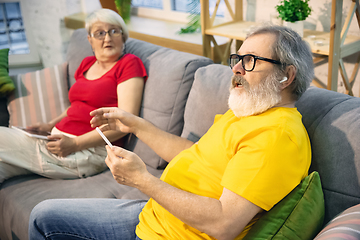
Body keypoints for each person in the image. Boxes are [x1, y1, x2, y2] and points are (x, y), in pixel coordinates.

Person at [29, 25, 314, 240]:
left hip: (169, 233)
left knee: (43, 219)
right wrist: (135, 125)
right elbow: (195, 155)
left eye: (250, 60)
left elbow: (224, 224)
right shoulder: (250, 110)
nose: (237, 68)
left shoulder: (276, 135)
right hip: (156, 212)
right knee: (43, 213)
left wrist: (142, 180)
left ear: (286, 77)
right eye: (237, 58)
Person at [0, 9, 147, 183]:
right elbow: (76, 105)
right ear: (90, 40)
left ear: (123, 36)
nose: (107, 38)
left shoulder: (129, 64)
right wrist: (49, 125)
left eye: (114, 31)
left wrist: (75, 144)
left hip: (89, 150)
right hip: (58, 142)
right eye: (100, 33)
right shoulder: (87, 64)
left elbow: (124, 122)